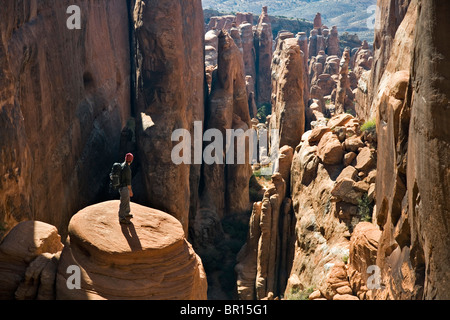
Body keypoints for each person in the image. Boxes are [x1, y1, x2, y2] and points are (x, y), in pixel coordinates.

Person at [118, 153, 134, 224]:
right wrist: (130, 191)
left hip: (121, 186)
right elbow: (128, 182)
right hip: (124, 187)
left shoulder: (122, 165)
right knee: (124, 202)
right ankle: (121, 218)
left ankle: (126, 213)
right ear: (131, 160)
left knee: (126, 200)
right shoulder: (127, 168)